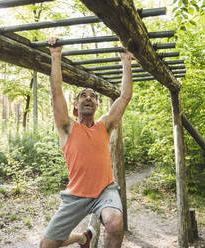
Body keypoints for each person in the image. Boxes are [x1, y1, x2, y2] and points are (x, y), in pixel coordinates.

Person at [39, 37, 133, 248]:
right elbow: (56, 94)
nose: (88, 98)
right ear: (75, 105)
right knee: (46, 246)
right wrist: (56, 56)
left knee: (115, 223)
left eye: (92, 96)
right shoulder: (67, 127)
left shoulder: (105, 126)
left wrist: (126, 61)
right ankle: (82, 238)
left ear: (97, 105)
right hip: (76, 195)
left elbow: (125, 96)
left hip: (104, 191)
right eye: (83, 95)